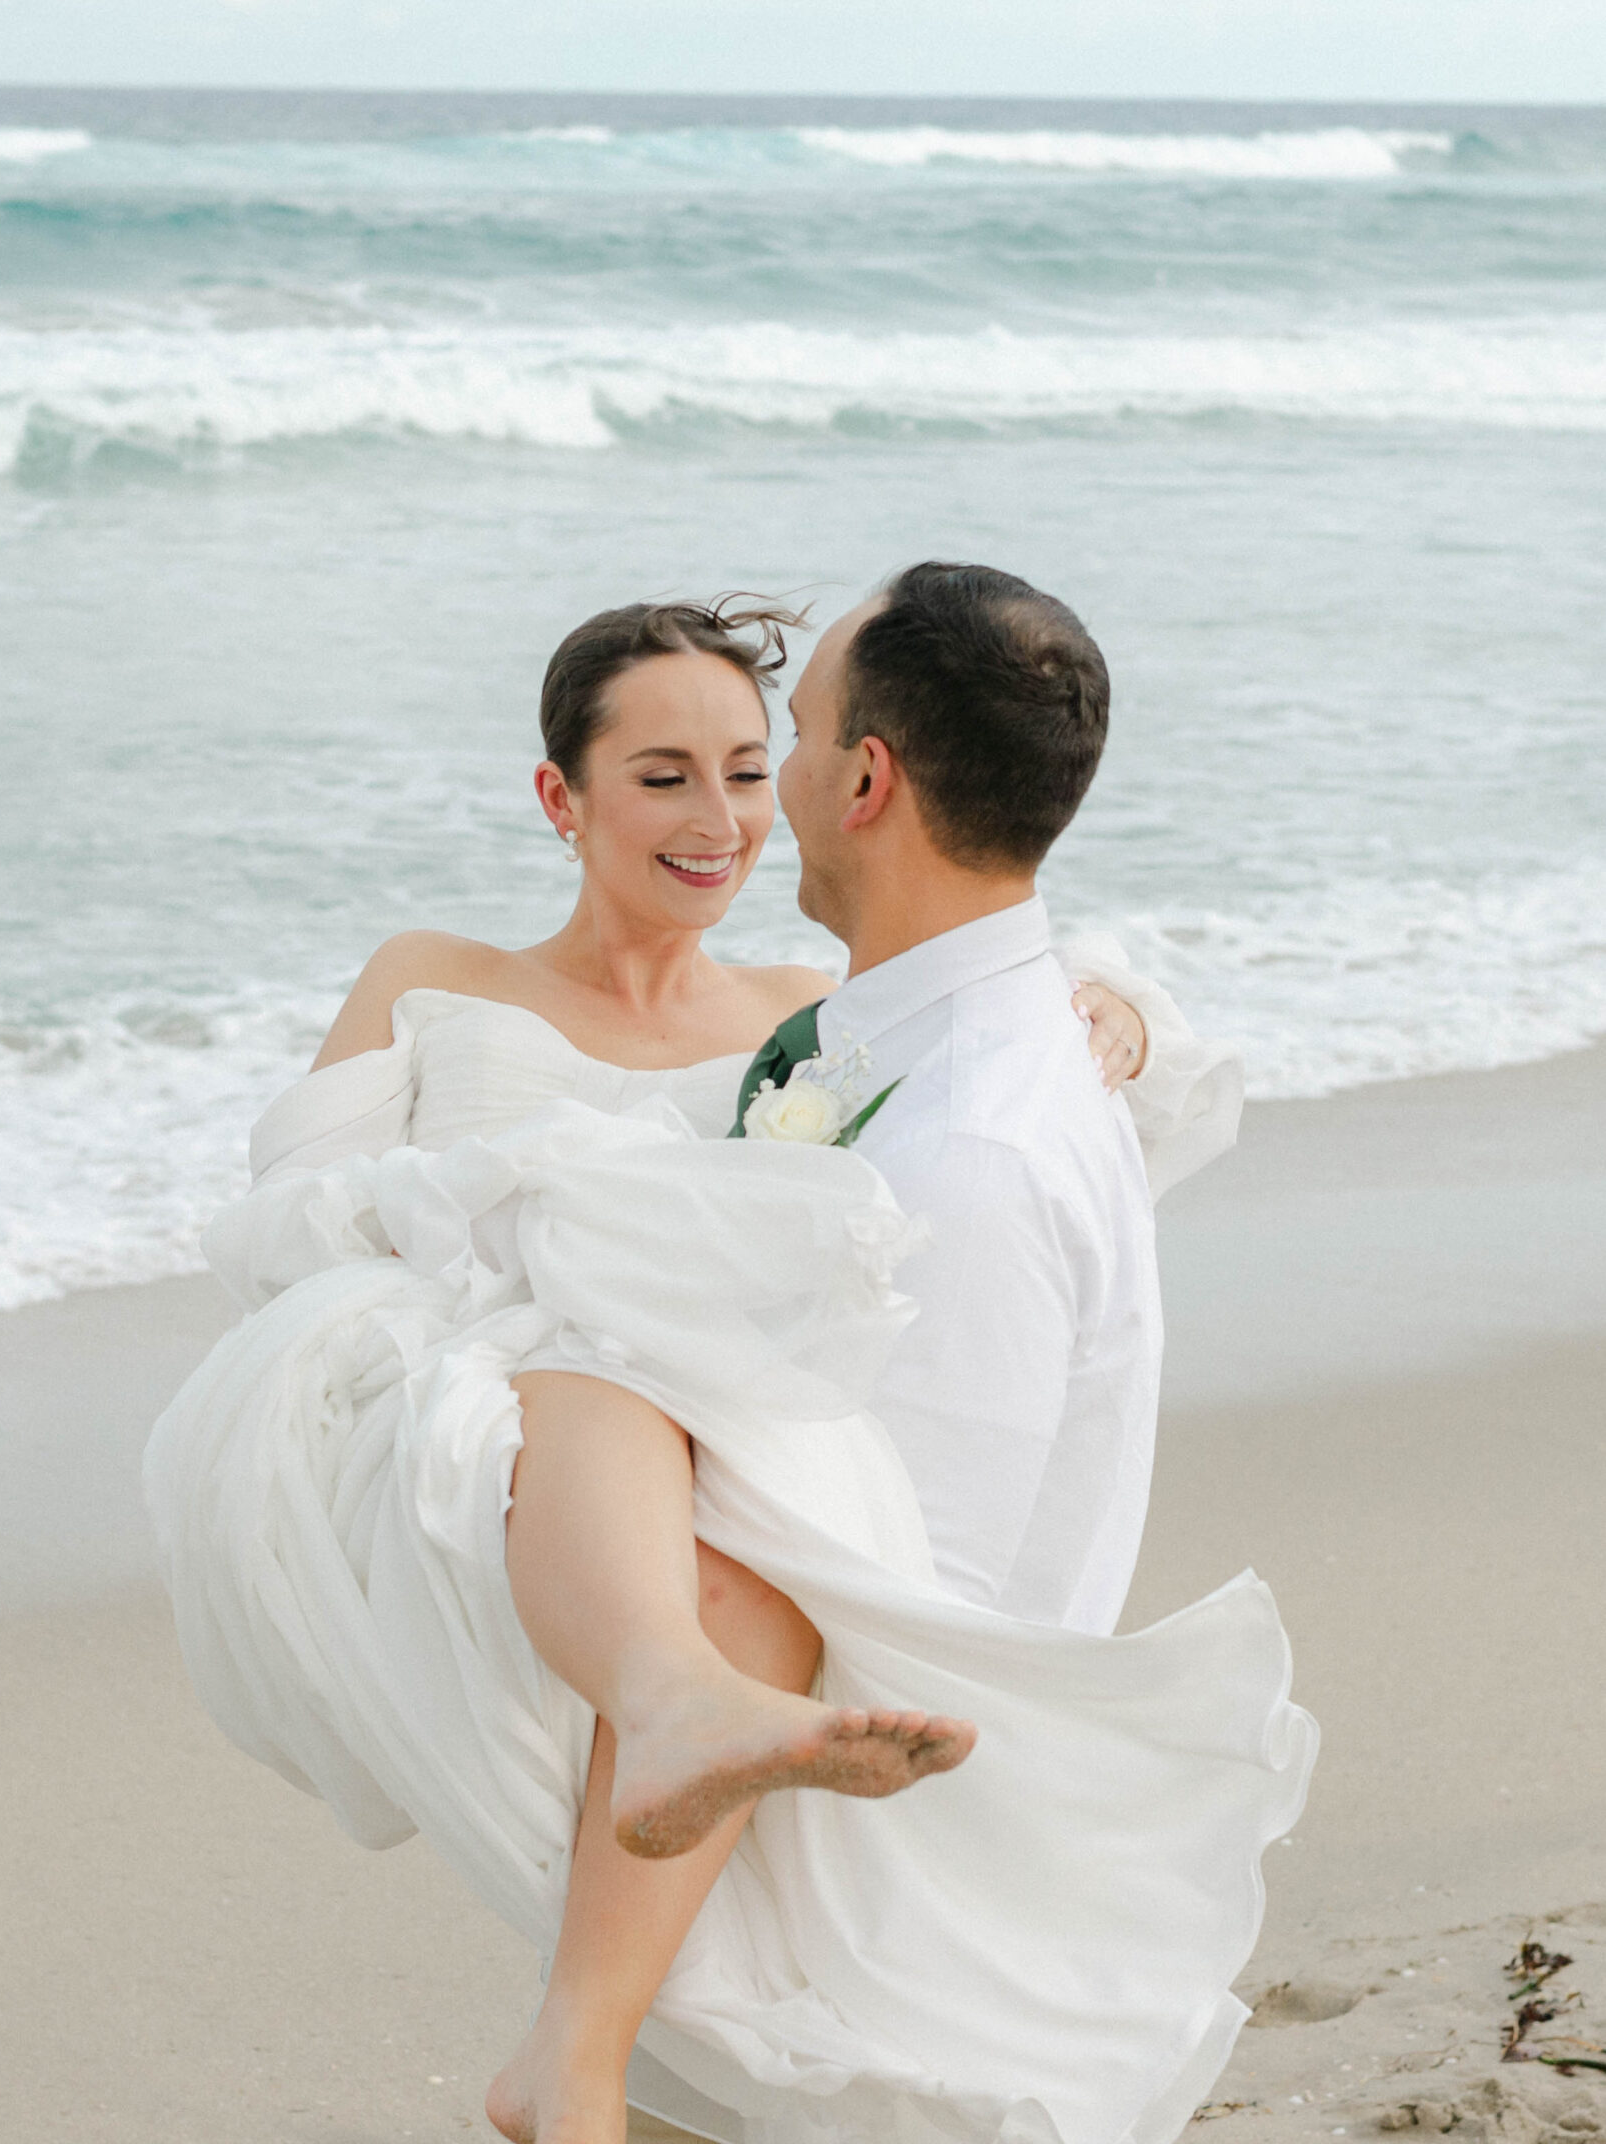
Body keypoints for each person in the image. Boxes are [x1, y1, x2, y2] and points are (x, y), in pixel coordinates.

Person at [146, 580, 1305, 2144]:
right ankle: (652, 1789)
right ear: (561, 796)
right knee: (598, 1354)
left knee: (728, 2032)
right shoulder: (435, 975)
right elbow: (276, 1233)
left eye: (757, 765)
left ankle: (612, 1957)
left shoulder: (806, 1022)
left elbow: (990, 1079)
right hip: (477, 1439)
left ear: (837, 780)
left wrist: (1120, 1014)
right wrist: (539, 1208)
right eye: (662, 773)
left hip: (673, 1506)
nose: (719, 815)